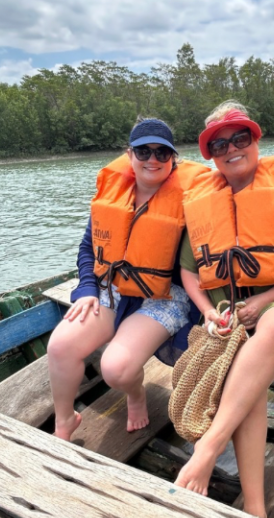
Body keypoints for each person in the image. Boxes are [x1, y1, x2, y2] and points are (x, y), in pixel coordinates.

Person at [176, 101, 274, 518]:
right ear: (211, 154)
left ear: (255, 139)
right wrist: (208, 310)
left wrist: (262, 300)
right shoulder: (203, 200)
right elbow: (189, 271)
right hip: (230, 312)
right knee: (250, 380)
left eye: (239, 138)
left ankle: (208, 447)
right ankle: (257, 509)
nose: (231, 149)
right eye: (219, 144)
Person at [47, 118, 209, 440]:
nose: (152, 159)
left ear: (173, 158)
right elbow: (87, 248)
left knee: (115, 369)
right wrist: (87, 289)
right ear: (129, 153)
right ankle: (64, 421)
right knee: (60, 346)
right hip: (112, 287)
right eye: (143, 151)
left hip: (164, 294)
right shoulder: (114, 194)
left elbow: (204, 259)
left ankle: (135, 393)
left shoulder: (192, 200)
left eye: (162, 153)